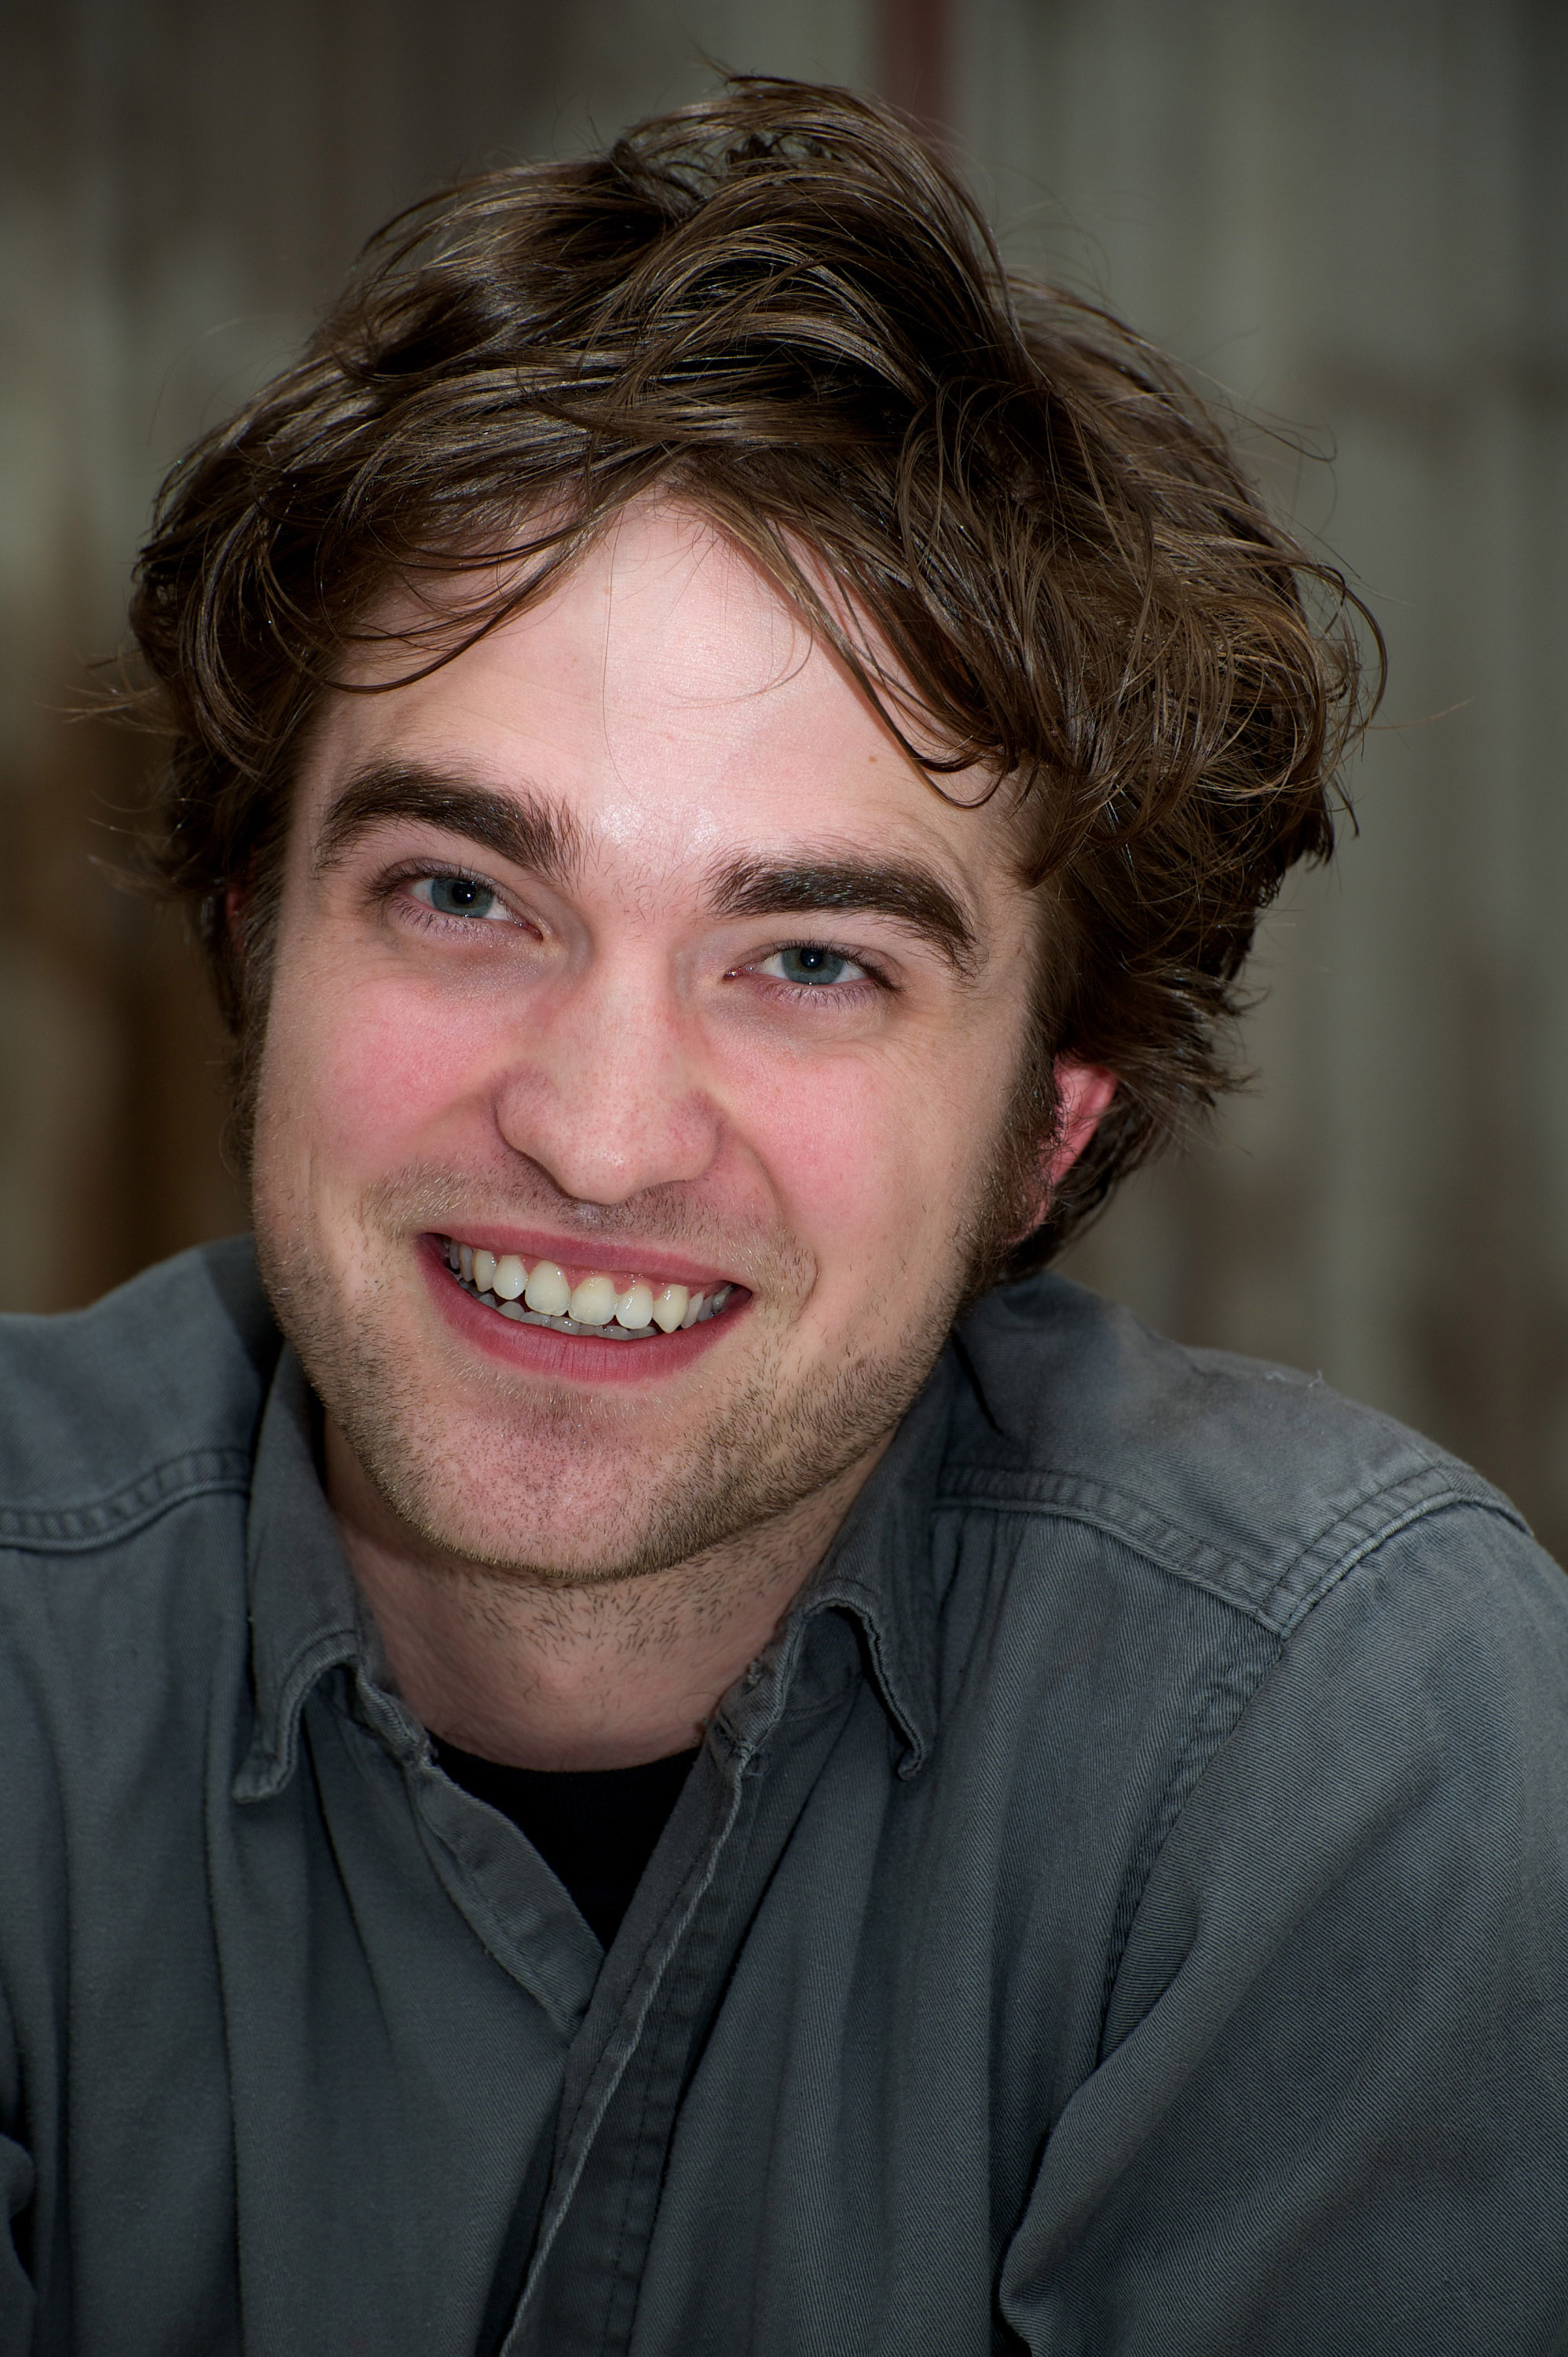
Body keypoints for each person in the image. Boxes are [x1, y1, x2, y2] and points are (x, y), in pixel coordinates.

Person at [2, 75, 1564, 2357]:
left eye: (812, 961)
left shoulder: (1341, 1742)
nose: (600, 1132)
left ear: (1050, 1125)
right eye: (462, 896)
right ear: (257, 945)